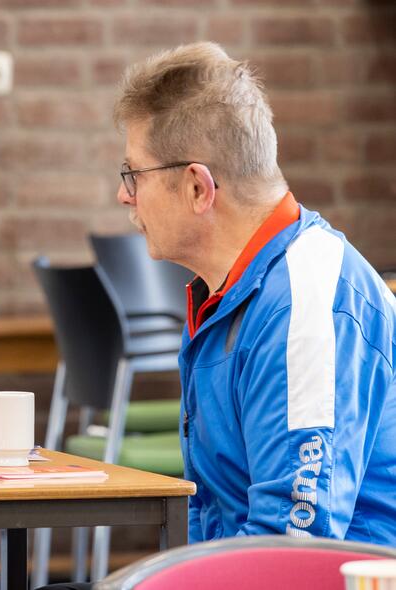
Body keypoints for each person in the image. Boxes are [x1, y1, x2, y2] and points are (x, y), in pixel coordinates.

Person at [114, 42, 396, 544]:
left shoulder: (304, 304)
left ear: (198, 188)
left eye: (133, 174)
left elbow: (293, 546)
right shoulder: (228, 291)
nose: (124, 194)